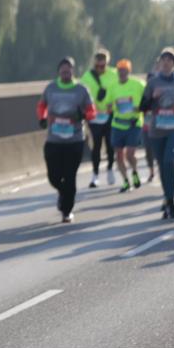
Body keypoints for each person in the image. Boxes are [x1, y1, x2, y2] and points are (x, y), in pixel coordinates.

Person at [139, 47, 174, 220]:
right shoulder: (152, 83)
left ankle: (170, 202)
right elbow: (142, 107)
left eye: (170, 60)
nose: (166, 63)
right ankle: (168, 198)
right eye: (163, 59)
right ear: (159, 63)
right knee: (163, 166)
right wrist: (152, 97)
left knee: (169, 161)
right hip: (157, 130)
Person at [37, 57, 96, 222]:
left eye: (68, 70)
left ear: (73, 71)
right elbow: (41, 106)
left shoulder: (81, 90)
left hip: (74, 140)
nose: (66, 73)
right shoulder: (51, 88)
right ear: (58, 72)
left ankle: (67, 210)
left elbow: (92, 112)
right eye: (63, 70)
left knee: (70, 176)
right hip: (54, 140)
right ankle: (64, 193)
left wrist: (83, 115)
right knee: (53, 177)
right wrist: (42, 118)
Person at [79, 48, 119, 187]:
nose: (100, 68)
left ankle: (110, 169)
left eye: (103, 66)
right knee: (96, 145)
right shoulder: (87, 77)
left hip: (110, 114)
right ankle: (95, 174)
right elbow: (81, 95)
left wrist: (113, 105)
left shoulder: (114, 74)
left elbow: (120, 91)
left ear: (107, 63)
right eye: (98, 66)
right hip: (94, 116)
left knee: (110, 144)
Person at [104, 59, 145, 193]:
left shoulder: (138, 84)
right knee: (119, 155)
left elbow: (147, 99)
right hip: (118, 124)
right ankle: (126, 181)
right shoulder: (112, 86)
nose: (122, 73)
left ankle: (134, 171)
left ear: (129, 71)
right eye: (120, 71)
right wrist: (110, 107)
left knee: (130, 154)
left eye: (124, 71)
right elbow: (108, 105)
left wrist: (139, 108)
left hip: (134, 123)